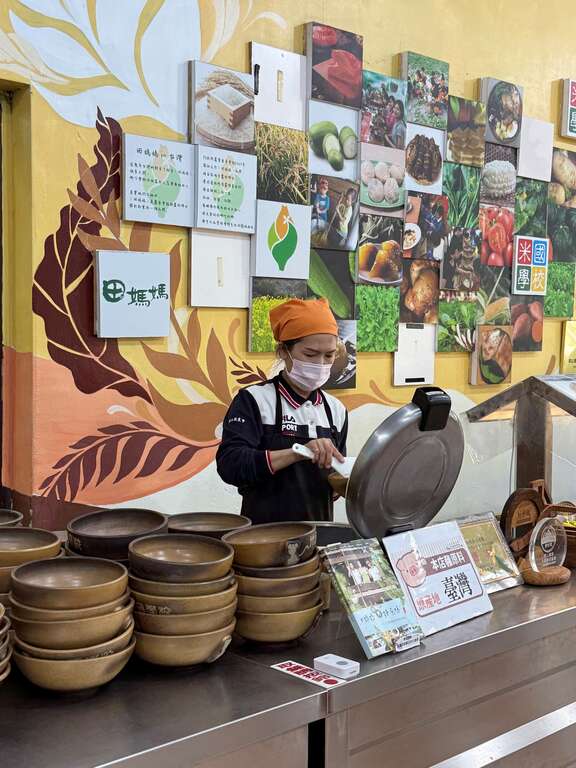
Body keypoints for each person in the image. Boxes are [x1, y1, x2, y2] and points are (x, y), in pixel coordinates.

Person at [216, 298, 348, 524]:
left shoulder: (336, 410)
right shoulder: (254, 401)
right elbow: (231, 465)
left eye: (329, 355)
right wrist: (298, 452)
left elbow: (336, 476)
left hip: (318, 533)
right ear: (282, 351)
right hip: (261, 539)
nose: (320, 364)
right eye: (310, 354)